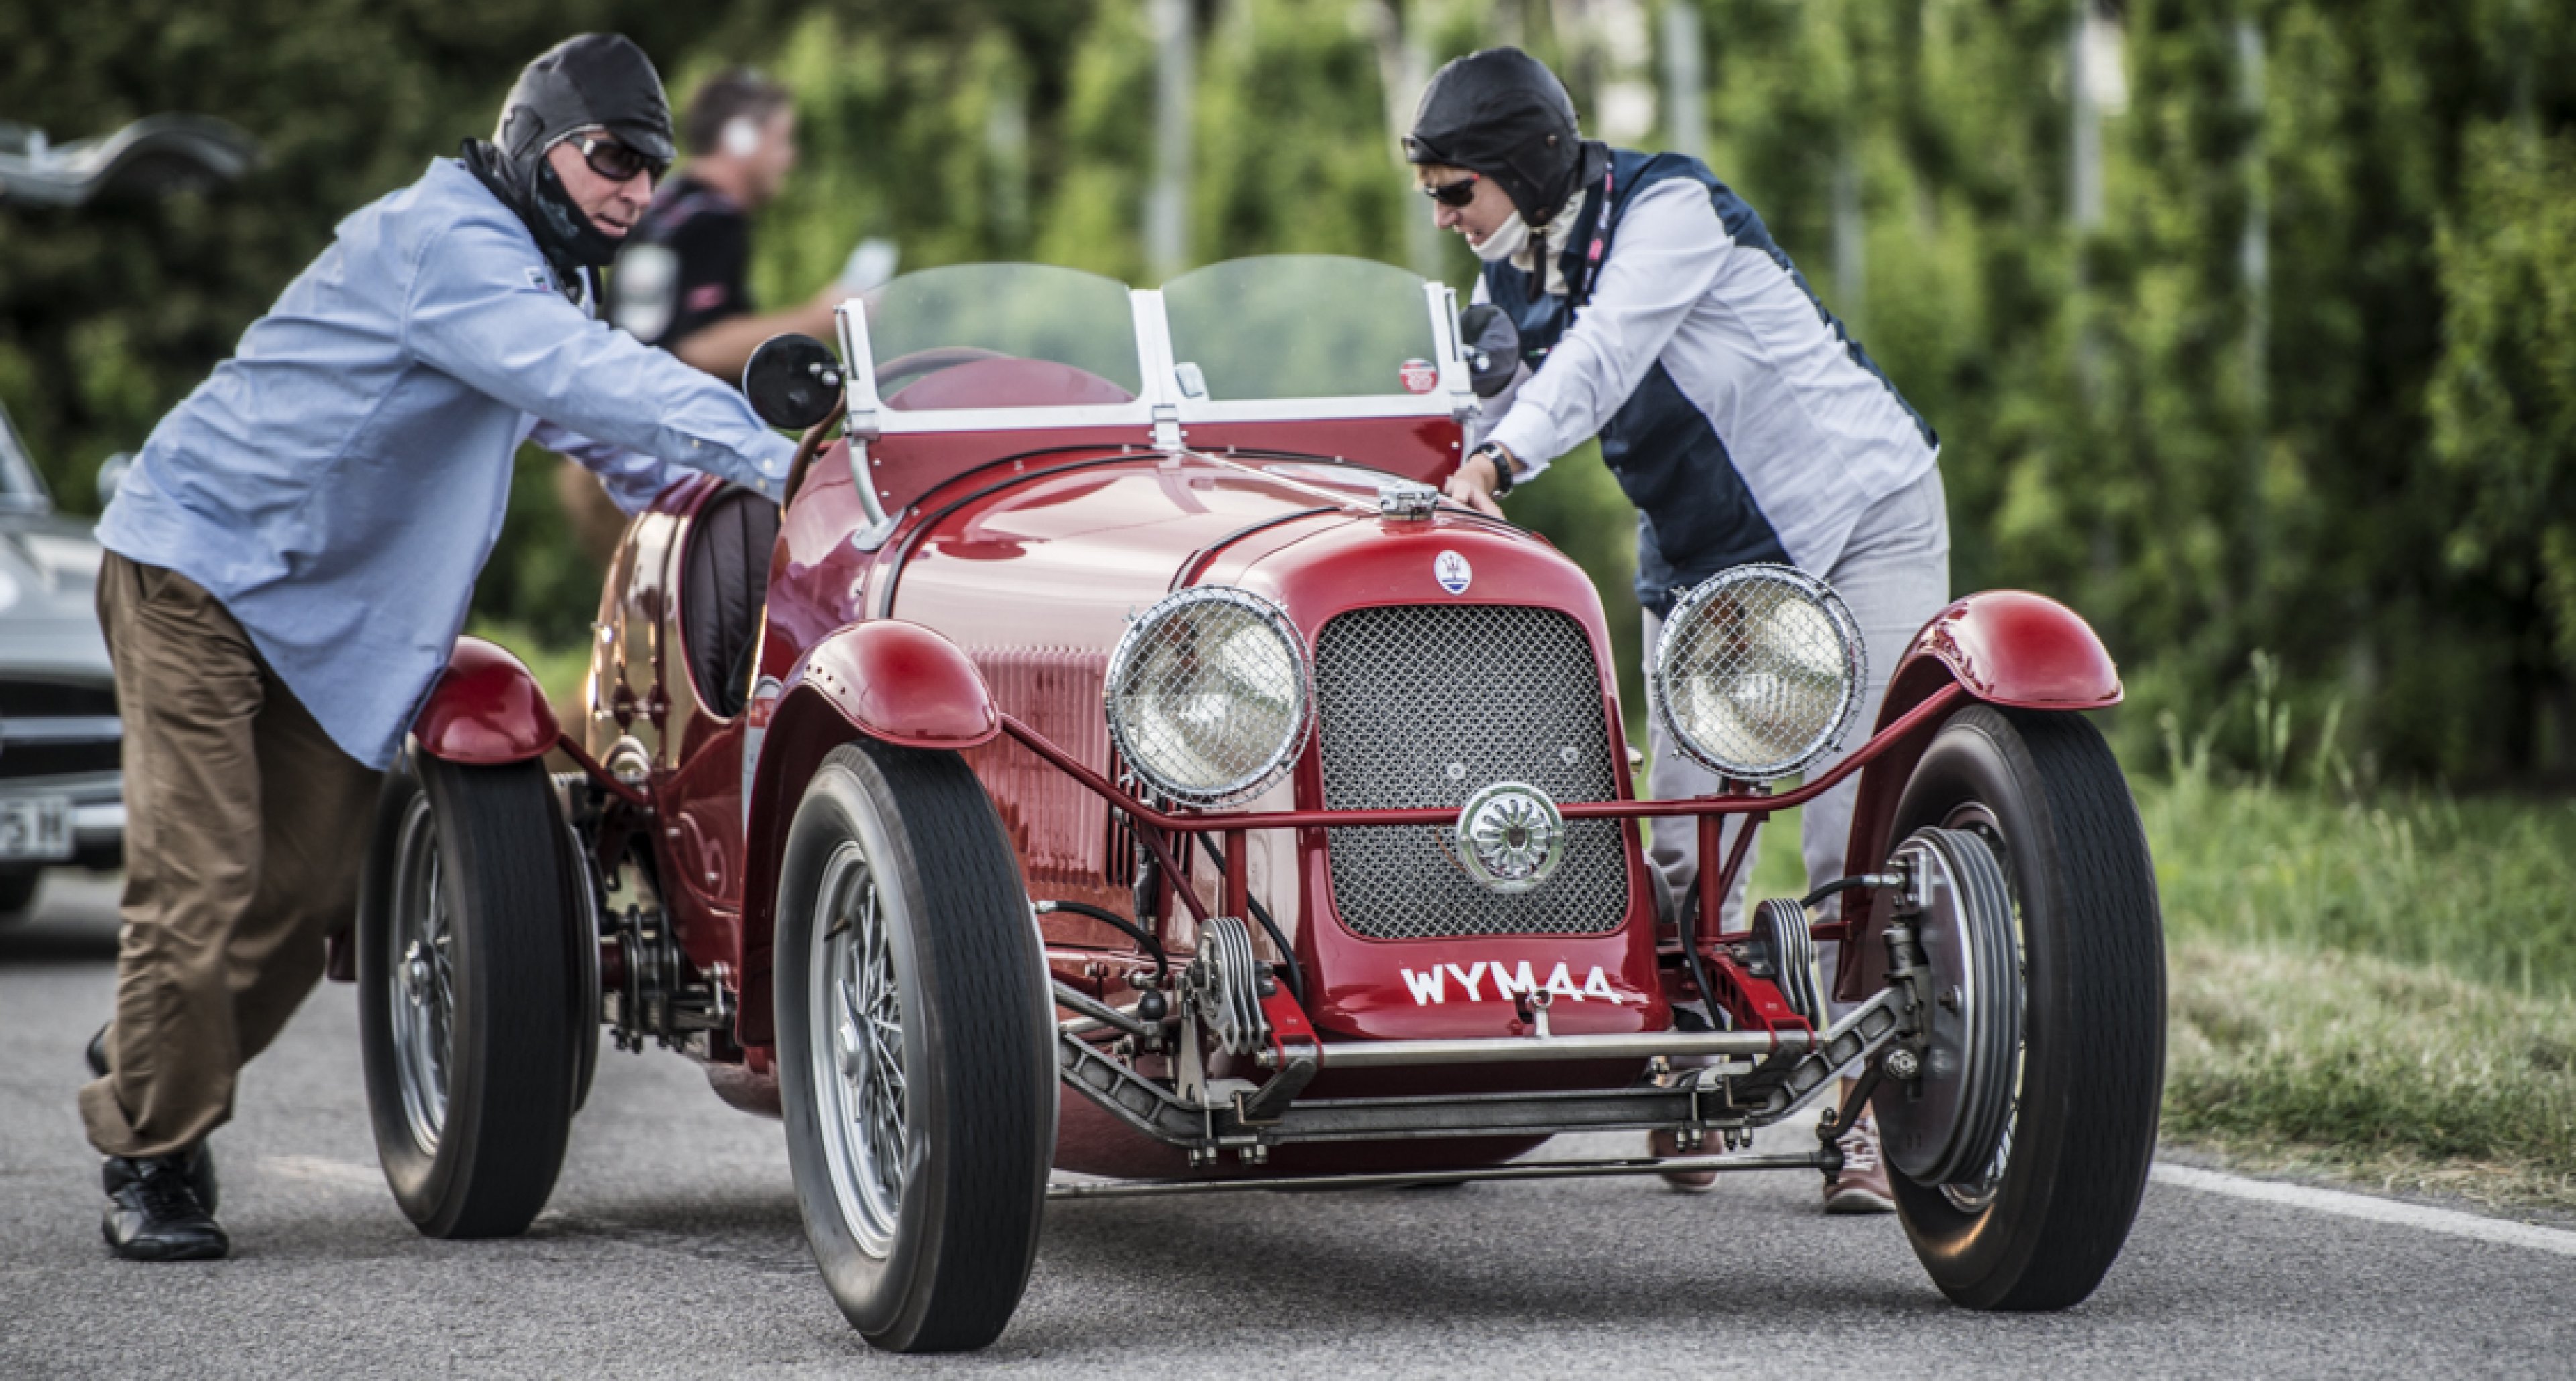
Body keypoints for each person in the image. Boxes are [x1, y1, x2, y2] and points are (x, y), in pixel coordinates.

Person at [79, 33, 798, 1262]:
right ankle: (151, 1146)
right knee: (197, 881)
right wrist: (772, 452)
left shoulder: (534, 286)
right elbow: (585, 375)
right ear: (534, 145)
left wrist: (798, 498)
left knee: (307, 896)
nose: (631, 191)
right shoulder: (449, 243)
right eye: (611, 158)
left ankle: (153, 1045)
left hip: (322, 618)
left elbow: (617, 441)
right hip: (196, 565)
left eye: (650, 168)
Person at [1407, 48, 1949, 1214]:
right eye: (1434, 196)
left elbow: (1600, 360)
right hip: (1709, 558)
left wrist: (1499, 461)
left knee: (1851, 827)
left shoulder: (1671, 211)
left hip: (1860, 517)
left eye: (1457, 190)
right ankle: (1693, 1072)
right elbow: (1460, 414)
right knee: (1689, 837)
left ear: (1522, 166)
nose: (1445, 216)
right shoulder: (1512, 277)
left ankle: (1861, 1121)